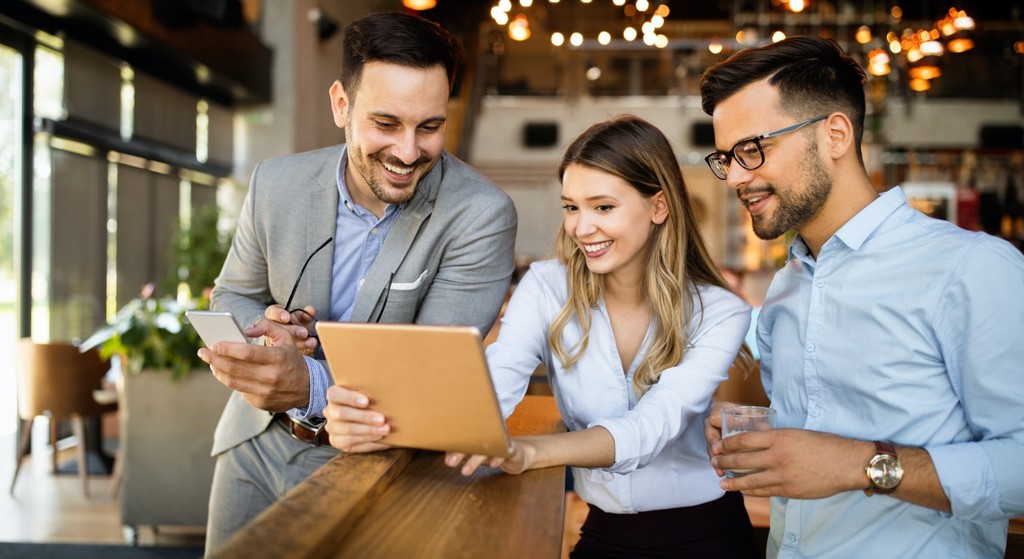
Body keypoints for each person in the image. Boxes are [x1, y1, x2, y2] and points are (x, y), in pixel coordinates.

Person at [325, 115, 760, 557]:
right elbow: (495, 384)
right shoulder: (546, 286)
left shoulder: (720, 311)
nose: (581, 227)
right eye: (571, 207)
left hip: (709, 535)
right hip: (604, 533)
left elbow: (651, 428)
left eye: (603, 207)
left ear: (659, 207)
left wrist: (531, 452)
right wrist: (384, 422)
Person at [197, 12, 517, 553]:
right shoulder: (276, 182)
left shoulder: (481, 215)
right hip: (252, 445)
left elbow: (428, 379)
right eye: (386, 124)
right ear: (341, 105)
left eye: (430, 127)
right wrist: (267, 337)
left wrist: (307, 384)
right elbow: (233, 293)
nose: (409, 151)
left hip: (380, 465)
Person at [699, 36, 1024, 558]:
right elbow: (813, 440)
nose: (736, 176)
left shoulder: (969, 269)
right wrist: (757, 431)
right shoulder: (786, 288)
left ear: (835, 134)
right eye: (726, 157)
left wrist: (860, 465)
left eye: (753, 149)